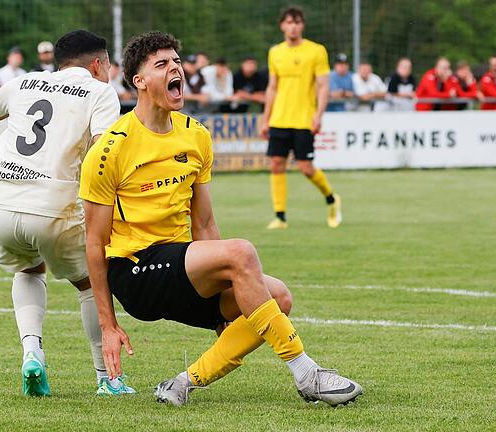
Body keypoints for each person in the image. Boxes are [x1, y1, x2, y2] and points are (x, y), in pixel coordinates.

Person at [79, 30, 362, 407]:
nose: (174, 68)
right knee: (241, 252)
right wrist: (109, 325)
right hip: (134, 272)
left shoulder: (196, 136)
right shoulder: (110, 148)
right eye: (161, 64)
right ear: (139, 82)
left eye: (176, 61)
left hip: (181, 264)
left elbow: (206, 225)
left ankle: (182, 383)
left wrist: (220, 290)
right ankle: (308, 374)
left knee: (278, 296)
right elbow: (94, 245)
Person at [0, 30, 134, 397]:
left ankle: (32, 353)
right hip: (53, 206)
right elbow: (103, 153)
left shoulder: (24, 82)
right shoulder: (100, 91)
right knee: (90, 284)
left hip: (2, 202)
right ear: (98, 64)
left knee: (28, 269)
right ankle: (107, 377)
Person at [260, 7, 341, 230]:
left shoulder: (316, 51)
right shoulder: (275, 52)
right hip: (279, 119)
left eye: (296, 22)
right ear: (282, 26)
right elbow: (272, 88)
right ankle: (280, 216)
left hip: (304, 119)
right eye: (288, 22)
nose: (292, 26)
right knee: (276, 165)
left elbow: (323, 86)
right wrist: (266, 118)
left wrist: (319, 115)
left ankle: (331, 198)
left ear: (302, 25)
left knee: (305, 167)